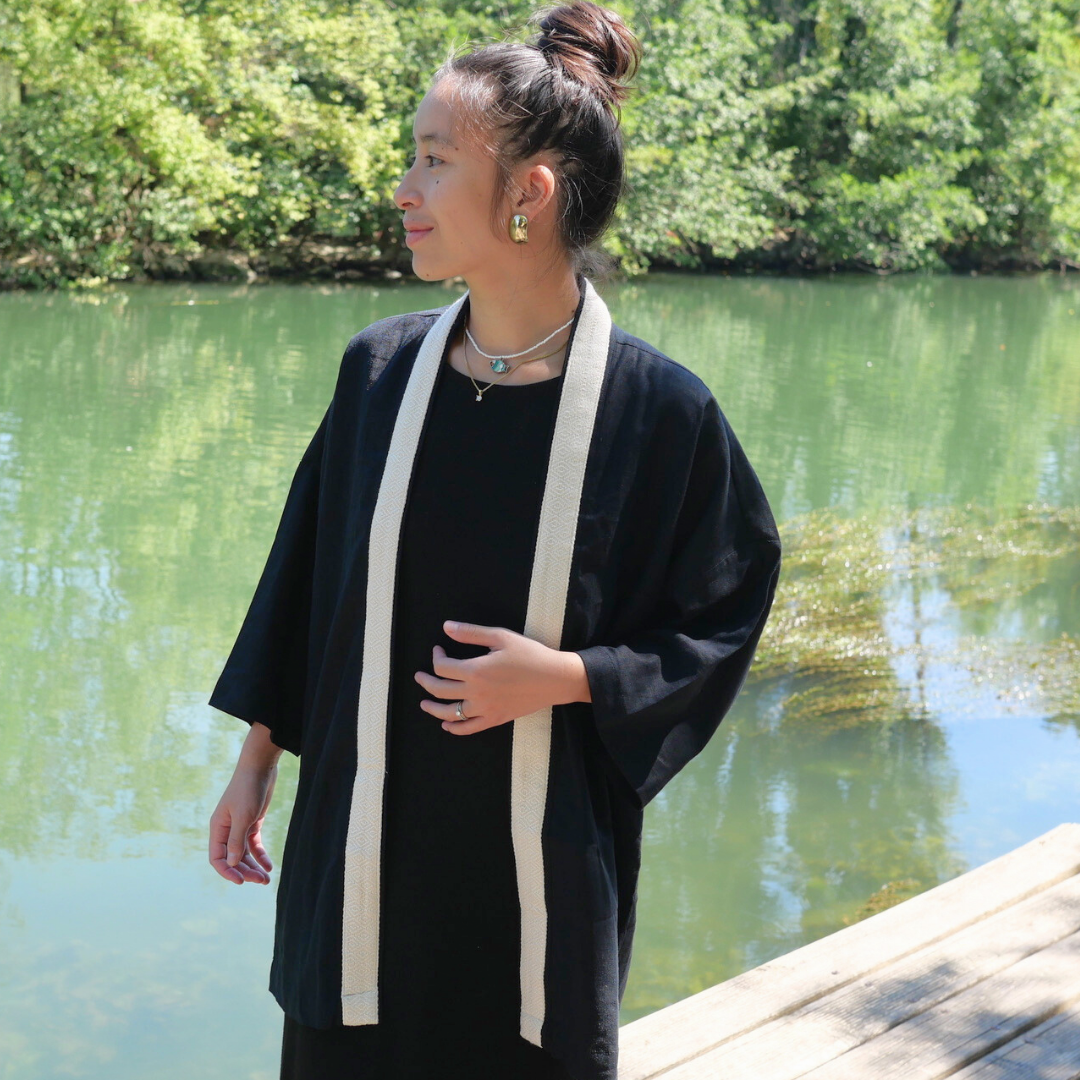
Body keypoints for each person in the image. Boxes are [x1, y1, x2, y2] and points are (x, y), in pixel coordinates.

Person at [207, 2, 783, 1078]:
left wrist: (568, 678)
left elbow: (724, 611)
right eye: (412, 157)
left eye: (434, 160)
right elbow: (307, 583)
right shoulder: (379, 374)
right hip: (359, 868)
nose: (403, 188)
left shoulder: (659, 414)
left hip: (534, 887)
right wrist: (256, 762)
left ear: (530, 194)